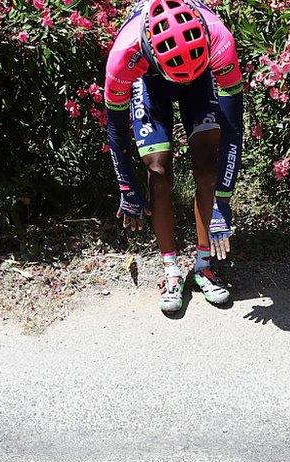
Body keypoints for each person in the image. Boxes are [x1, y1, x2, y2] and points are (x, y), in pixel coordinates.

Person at [104, 0, 243, 313]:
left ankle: (203, 265)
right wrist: (127, 186)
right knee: (158, 170)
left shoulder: (218, 38)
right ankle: (171, 270)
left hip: (199, 68)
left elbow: (234, 130)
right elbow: (115, 131)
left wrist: (223, 200)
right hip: (149, 80)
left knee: (209, 164)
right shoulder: (124, 55)